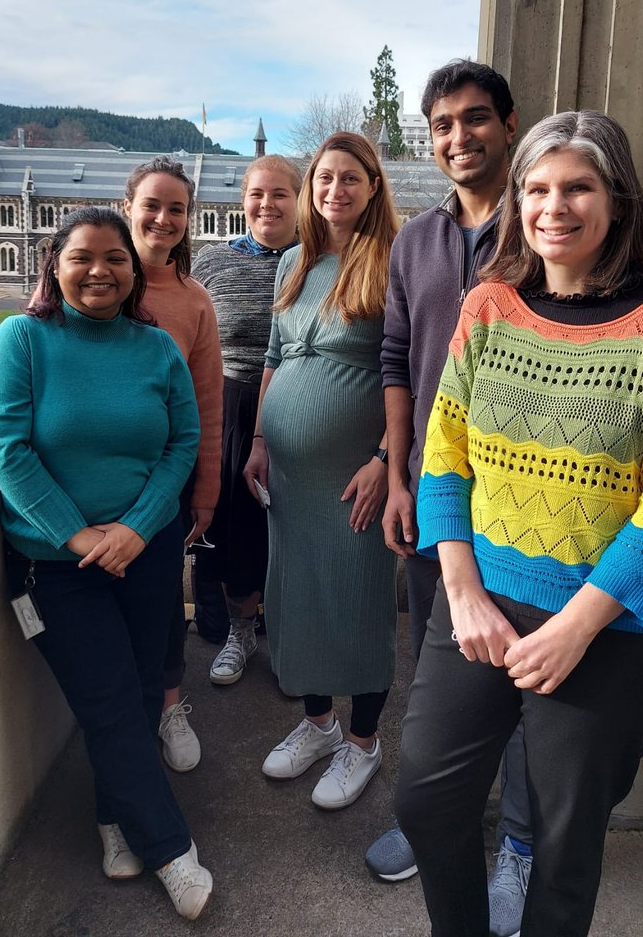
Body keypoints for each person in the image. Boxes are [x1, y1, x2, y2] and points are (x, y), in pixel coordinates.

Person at [396, 111, 643, 937]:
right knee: (427, 796)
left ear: (614, 197)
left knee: (567, 842)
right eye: (537, 188)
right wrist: (461, 590)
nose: (555, 206)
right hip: (477, 611)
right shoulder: (489, 307)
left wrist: (579, 625)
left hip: (607, 629)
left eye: (577, 186)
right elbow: (444, 454)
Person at [0, 207, 213, 920]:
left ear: (134, 270)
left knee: (142, 691)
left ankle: (115, 821)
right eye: (83, 257)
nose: (100, 270)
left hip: (146, 551)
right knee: (108, 702)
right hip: (53, 564)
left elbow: (181, 442)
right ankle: (173, 850)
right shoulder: (23, 339)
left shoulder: (156, 347)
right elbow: (4, 449)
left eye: (115, 258)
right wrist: (80, 538)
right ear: (54, 263)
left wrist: (136, 529)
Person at [368, 59, 534, 936]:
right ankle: (435, 822)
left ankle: (519, 844)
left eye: (475, 119)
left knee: (522, 681)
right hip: (435, 502)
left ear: (509, 124)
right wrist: (397, 476)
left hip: (526, 511)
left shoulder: (542, 228)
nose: (458, 137)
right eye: (442, 125)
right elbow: (396, 358)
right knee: (437, 676)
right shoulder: (416, 241)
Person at [243, 132, 399, 810]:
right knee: (298, 598)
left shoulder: (392, 261)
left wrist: (386, 460)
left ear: (372, 188)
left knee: (358, 605)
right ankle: (317, 724)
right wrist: (259, 438)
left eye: (350, 179)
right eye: (324, 179)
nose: (334, 191)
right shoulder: (293, 264)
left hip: (353, 476)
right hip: (290, 476)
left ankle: (363, 743)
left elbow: (412, 373)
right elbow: (277, 354)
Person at [122, 157, 223, 772]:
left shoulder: (193, 301)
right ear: (128, 206)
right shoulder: (87, 276)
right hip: (91, 483)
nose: (163, 218)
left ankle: (169, 704)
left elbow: (207, 404)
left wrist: (205, 489)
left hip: (166, 484)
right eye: (152, 205)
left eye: (177, 209)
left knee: (162, 598)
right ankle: (124, 713)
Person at [192, 154, 302, 685]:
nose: (267, 204)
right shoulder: (212, 261)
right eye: (257, 193)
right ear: (243, 201)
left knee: (295, 532)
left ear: (299, 200)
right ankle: (242, 630)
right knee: (239, 528)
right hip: (230, 404)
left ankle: (290, 636)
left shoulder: (318, 261)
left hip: (301, 402)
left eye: (280, 193)